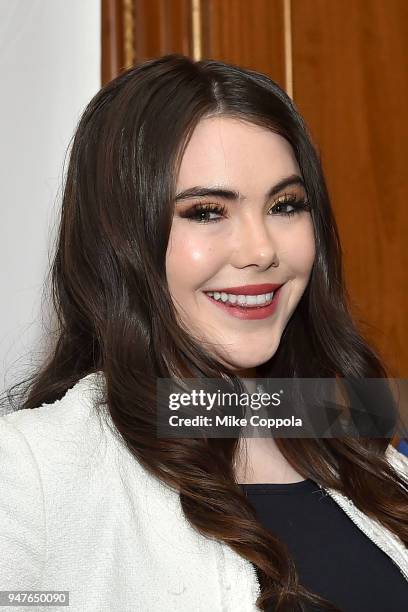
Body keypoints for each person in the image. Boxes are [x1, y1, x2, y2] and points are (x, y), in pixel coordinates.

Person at [0, 53, 407, 612]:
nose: (262, 250)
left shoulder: (365, 447)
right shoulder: (36, 471)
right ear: (121, 238)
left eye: (286, 205)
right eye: (207, 212)